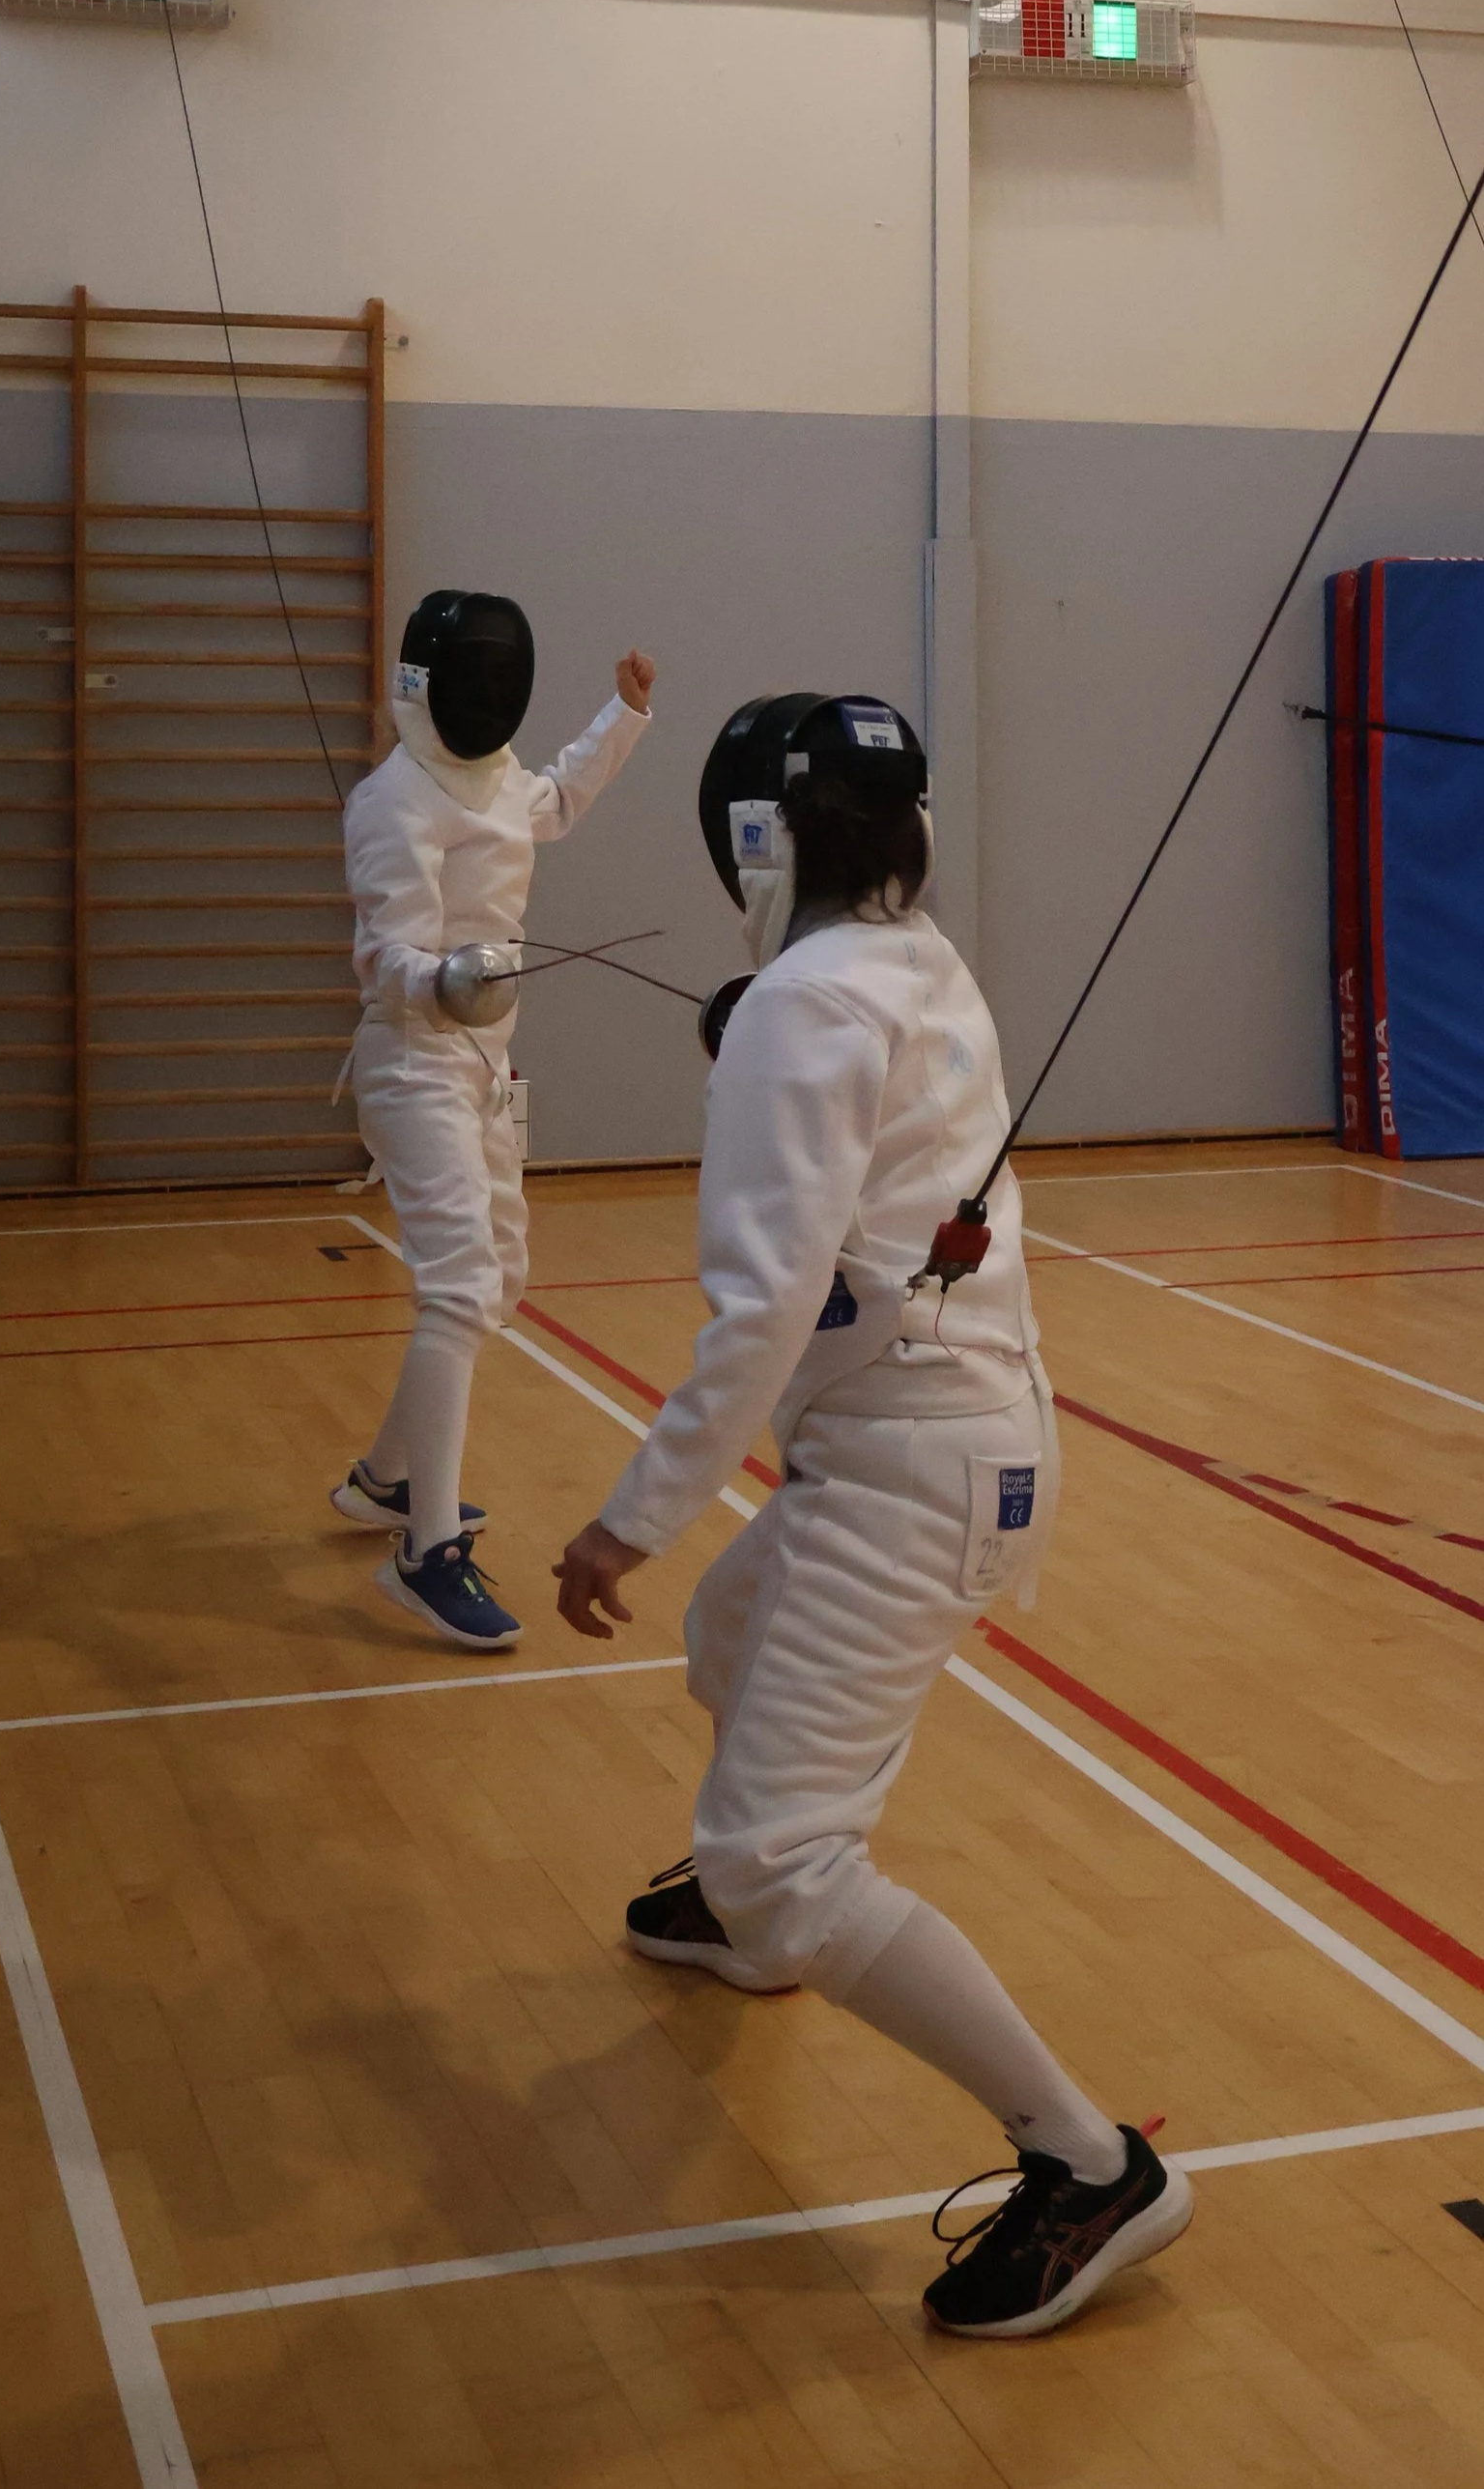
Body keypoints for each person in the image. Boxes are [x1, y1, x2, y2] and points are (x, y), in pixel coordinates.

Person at [554, 691, 1192, 2339]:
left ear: (749, 839)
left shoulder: (802, 1005)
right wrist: (760, 1017)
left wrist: (625, 1518)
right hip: (950, 1431)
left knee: (776, 1851)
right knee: (729, 1630)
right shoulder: (912, 960)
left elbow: (760, 1308)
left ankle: (1084, 2161)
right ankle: (748, 1911)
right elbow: (863, 1095)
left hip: (909, 1462)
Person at [334, 588, 656, 1650]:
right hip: (412, 1061)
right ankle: (424, 1550)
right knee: (458, 1283)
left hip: (482, 1061)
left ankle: (387, 1479)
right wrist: (452, 975)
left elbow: (552, 801)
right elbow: (385, 959)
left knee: (498, 1278)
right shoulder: (393, 801)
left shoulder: (493, 777)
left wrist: (620, 716)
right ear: (435, 687)